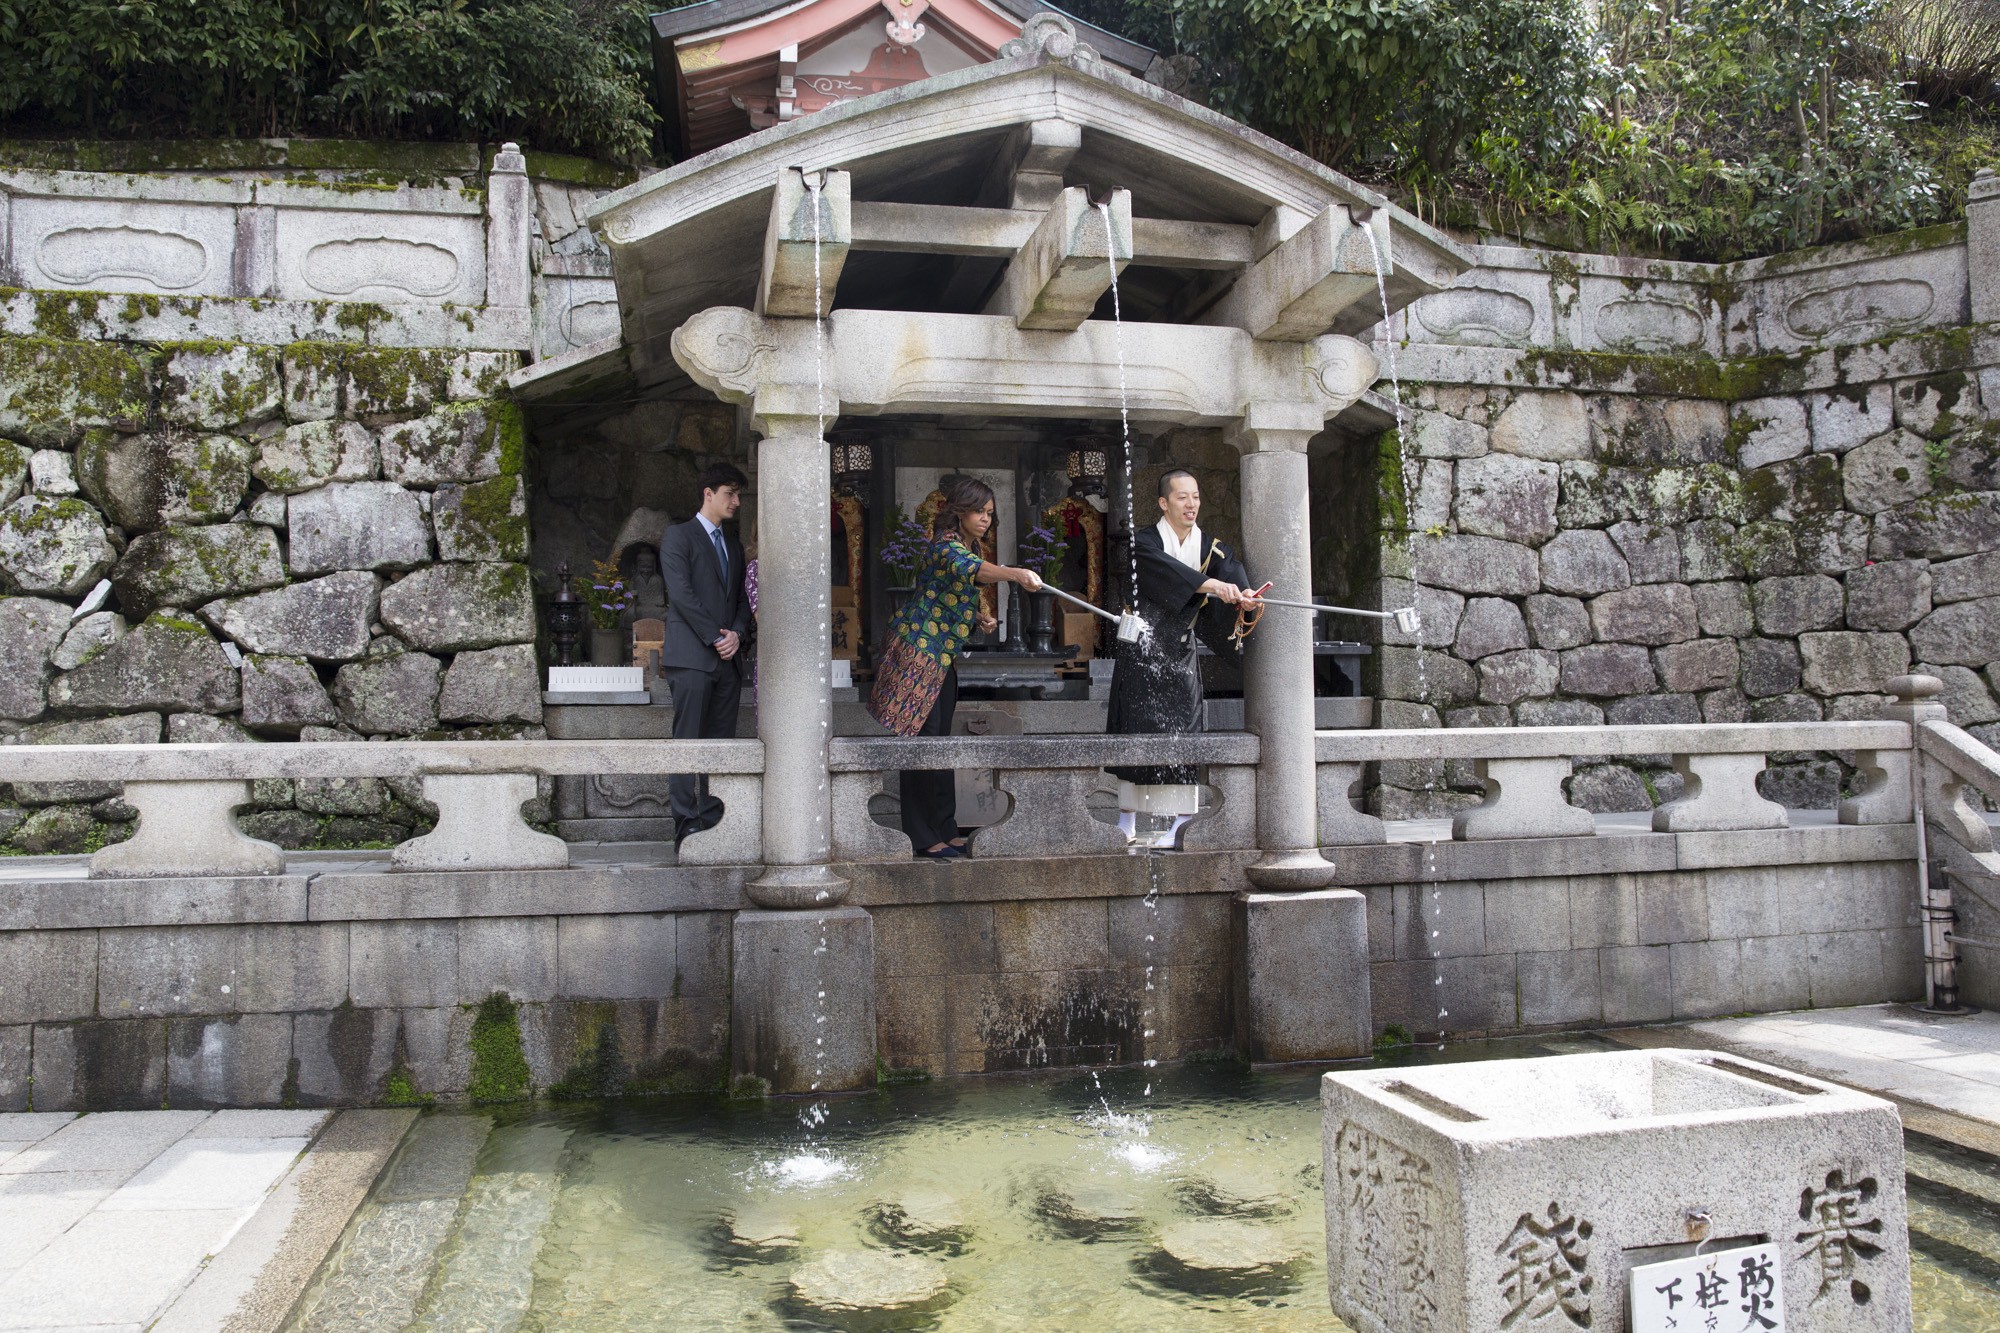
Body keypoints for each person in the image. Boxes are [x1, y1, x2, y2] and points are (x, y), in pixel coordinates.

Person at [867, 476, 1042, 859]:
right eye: (979, 512)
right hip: (917, 653)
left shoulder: (968, 543)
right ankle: (920, 834)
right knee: (921, 744)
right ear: (959, 511)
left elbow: (963, 585)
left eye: (990, 514)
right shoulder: (945, 545)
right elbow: (971, 570)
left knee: (940, 742)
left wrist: (980, 614)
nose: (985, 519)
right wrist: (1016, 574)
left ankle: (945, 827)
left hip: (941, 655)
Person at [1105, 468, 1259, 846]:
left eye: (1195, 497)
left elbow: (1232, 572)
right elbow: (1168, 574)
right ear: (1163, 502)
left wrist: (1244, 597)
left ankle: (1181, 822)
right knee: (1136, 731)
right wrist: (1211, 585)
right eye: (1181, 497)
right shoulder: (1142, 543)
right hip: (1141, 649)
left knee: (1184, 731)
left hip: (1179, 649)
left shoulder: (1211, 546)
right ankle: (1127, 819)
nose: (1191, 504)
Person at [659, 462, 752, 846]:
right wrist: (716, 636)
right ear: (708, 493)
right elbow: (681, 595)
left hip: (728, 661)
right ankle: (686, 825)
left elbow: (743, 601)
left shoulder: (733, 545)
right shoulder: (677, 537)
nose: (737, 501)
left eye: (739, 494)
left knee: (721, 744)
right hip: (691, 658)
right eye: (730, 493)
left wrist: (738, 634)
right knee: (688, 741)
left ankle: (715, 821)